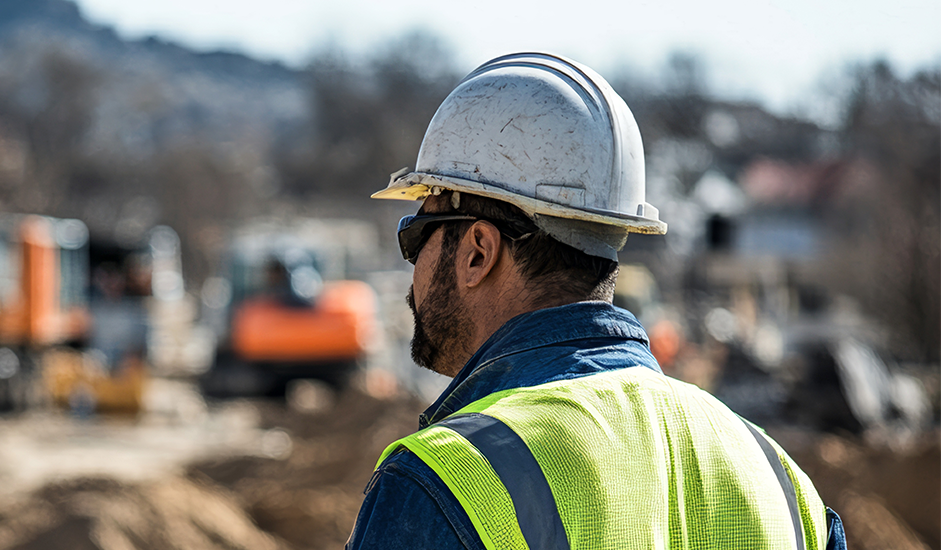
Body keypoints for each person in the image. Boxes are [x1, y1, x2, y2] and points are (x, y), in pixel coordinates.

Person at [347, 52, 847, 549]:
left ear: (478, 252)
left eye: (416, 237)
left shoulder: (439, 484)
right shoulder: (781, 481)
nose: (412, 267)